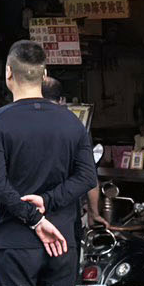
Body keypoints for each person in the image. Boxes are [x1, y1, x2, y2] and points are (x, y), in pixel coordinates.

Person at [0, 40, 97, 286]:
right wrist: (49, 201)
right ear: (44, 74)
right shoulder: (72, 122)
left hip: (15, 240)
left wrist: (34, 218)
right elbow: (87, 177)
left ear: (8, 73)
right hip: (62, 239)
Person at [41, 77, 101, 230]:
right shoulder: (76, 126)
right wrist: (94, 212)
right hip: (66, 211)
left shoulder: (22, 125)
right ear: (62, 100)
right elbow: (89, 175)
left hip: (30, 210)